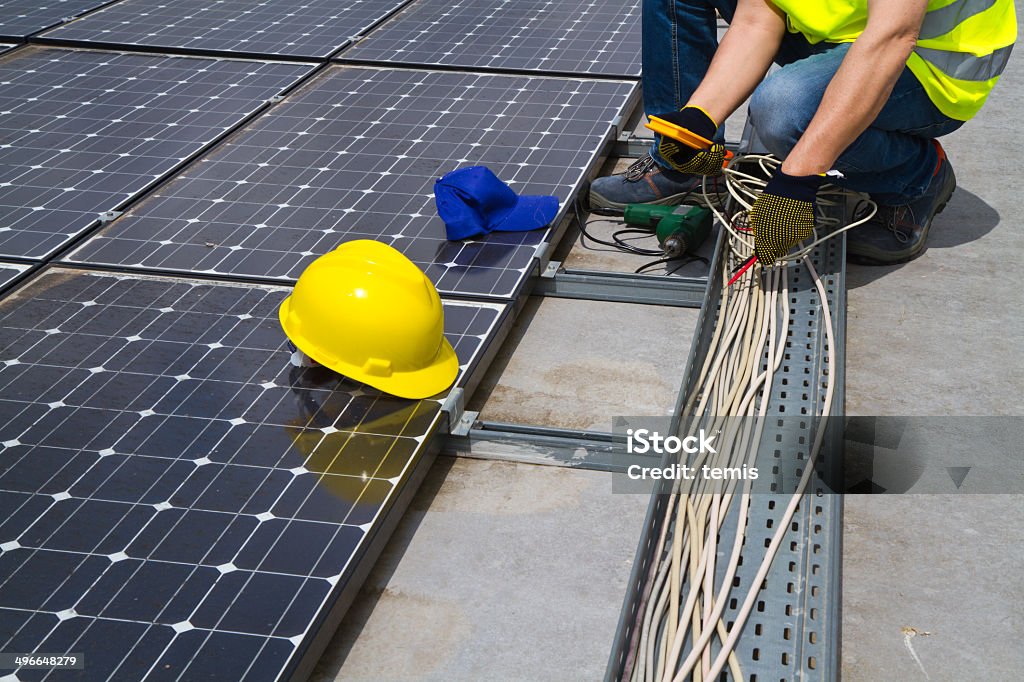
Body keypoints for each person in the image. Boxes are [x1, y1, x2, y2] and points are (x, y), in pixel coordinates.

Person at [589, 0, 1016, 265]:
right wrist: (699, 118)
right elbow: (758, 18)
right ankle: (683, 165)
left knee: (783, 110)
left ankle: (919, 176)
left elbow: (890, 37)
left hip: (934, 61)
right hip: (851, 32)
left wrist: (797, 179)